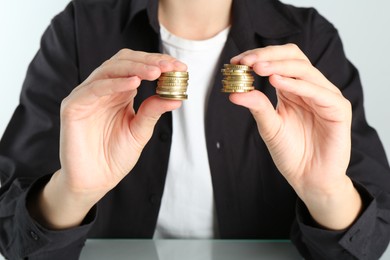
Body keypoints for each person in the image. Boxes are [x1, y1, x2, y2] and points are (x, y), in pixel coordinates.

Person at [0, 0, 389, 259]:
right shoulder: (78, 30)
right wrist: (72, 193)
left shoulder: (311, 39)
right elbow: (15, 236)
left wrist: (326, 193)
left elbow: (371, 239)